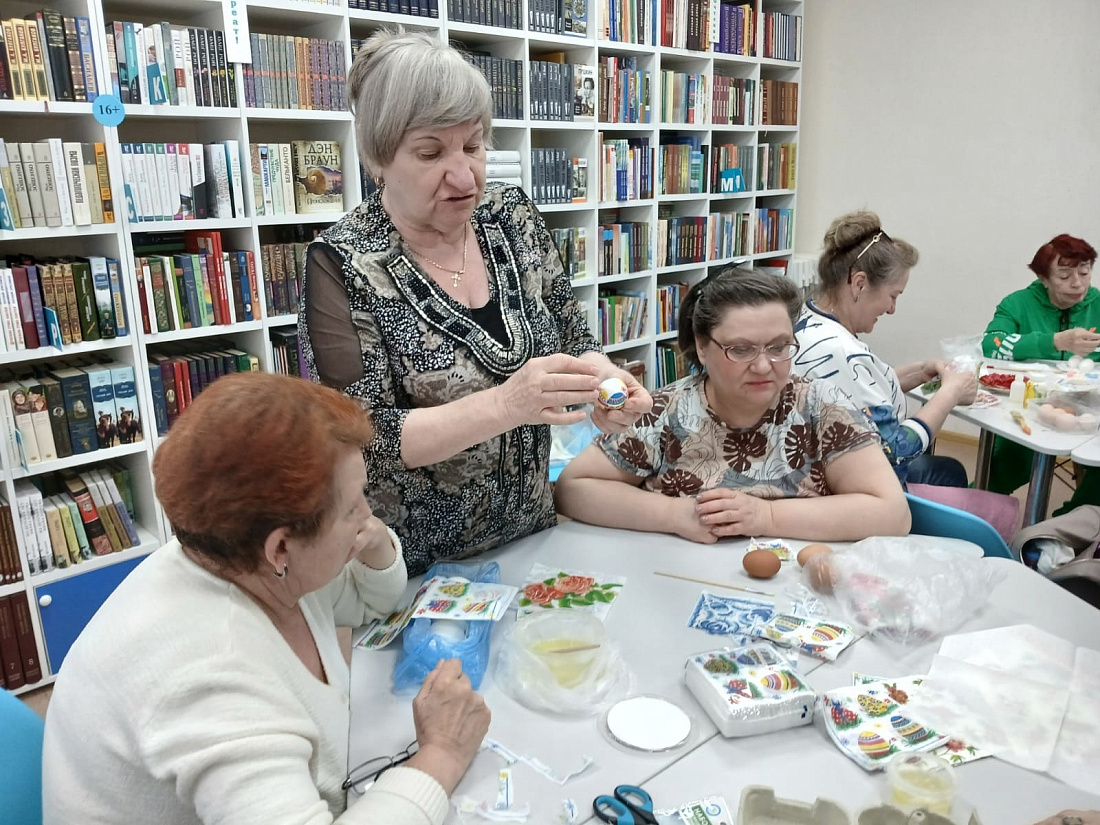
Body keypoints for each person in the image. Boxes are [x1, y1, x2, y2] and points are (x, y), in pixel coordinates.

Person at [42, 373, 491, 825]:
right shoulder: (211, 678)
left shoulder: (247, 558)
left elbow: (366, 602)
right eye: (353, 506)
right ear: (280, 548)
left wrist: (373, 544)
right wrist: (442, 754)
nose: (367, 513)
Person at [299, 30, 651, 575]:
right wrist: (507, 404)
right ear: (377, 158)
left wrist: (606, 383)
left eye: (474, 145)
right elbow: (363, 438)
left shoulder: (510, 216)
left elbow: (574, 337)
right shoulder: (342, 263)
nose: (465, 176)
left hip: (533, 536)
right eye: (430, 152)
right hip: (412, 569)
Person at [553, 269, 911, 543]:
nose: (763, 366)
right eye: (740, 349)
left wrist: (766, 517)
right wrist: (673, 514)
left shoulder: (822, 406)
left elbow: (893, 513)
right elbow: (573, 489)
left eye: (779, 347)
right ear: (702, 347)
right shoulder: (666, 410)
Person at [792, 210, 977, 489]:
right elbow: (895, 450)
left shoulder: (809, 316)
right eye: (893, 296)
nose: (892, 309)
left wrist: (919, 372)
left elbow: (855, 389)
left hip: (828, 467)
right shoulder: (837, 350)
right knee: (949, 472)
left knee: (948, 469)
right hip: (854, 488)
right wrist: (950, 393)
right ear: (859, 284)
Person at [982, 234, 1100, 509]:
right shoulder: (1018, 304)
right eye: (1064, 276)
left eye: (1084, 273)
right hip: (1029, 407)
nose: (1077, 283)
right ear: (1043, 278)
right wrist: (1054, 342)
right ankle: (970, 511)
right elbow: (992, 344)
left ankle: (1067, 526)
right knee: (1013, 460)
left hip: (1091, 408)